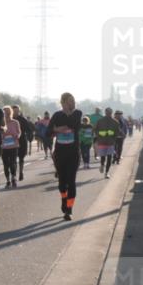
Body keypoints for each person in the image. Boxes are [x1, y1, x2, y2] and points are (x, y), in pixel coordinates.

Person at [46, 93, 83, 221]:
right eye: (70, 101)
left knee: (71, 181)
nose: (73, 103)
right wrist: (56, 130)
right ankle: (63, 198)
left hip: (73, 152)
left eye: (73, 100)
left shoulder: (78, 113)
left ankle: (69, 209)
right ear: (63, 102)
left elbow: (74, 125)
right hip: (60, 153)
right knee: (62, 183)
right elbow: (48, 132)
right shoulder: (57, 115)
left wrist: (58, 128)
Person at [95, 107, 121, 179]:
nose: (108, 114)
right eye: (107, 112)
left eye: (110, 112)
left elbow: (117, 132)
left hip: (110, 143)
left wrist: (113, 138)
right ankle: (102, 165)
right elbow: (96, 129)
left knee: (109, 157)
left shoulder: (115, 122)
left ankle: (106, 173)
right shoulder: (100, 121)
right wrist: (99, 135)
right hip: (103, 142)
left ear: (111, 113)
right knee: (103, 157)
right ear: (105, 112)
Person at [13, 105, 36, 181]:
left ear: (19, 111)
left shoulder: (23, 119)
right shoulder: (9, 119)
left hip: (22, 140)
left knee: (21, 158)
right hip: (12, 141)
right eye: (14, 111)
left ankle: (21, 172)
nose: (15, 112)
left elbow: (29, 130)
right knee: (13, 159)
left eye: (17, 111)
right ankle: (14, 175)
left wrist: (30, 138)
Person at [1, 106, 21, 188]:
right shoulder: (1, 123)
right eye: (5, 113)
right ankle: (8, 180)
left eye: (8, 113)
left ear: (11, 113)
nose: (7, 114)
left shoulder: (15, 122)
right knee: (6, 164)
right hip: (4, 147)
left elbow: (19, 132)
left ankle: (13, 178)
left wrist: (17, 136)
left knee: (13, 163)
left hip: (13, 145)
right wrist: (2, 135)